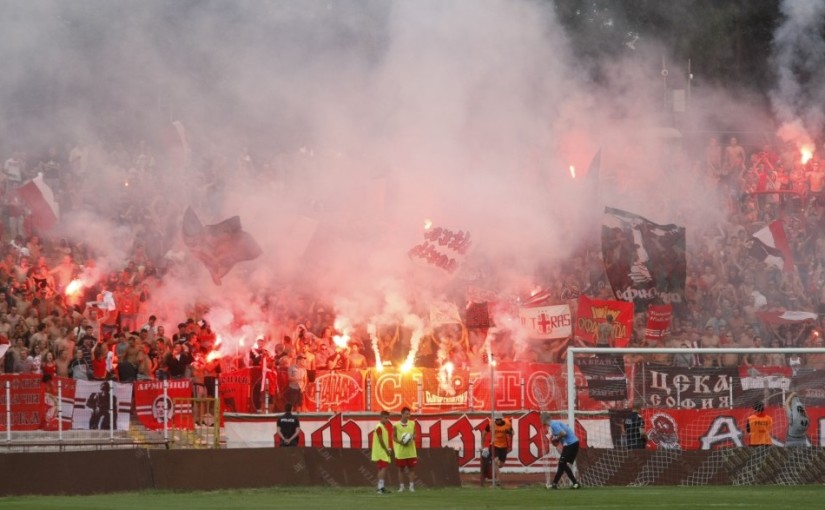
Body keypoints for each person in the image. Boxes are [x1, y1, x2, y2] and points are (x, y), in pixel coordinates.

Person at [545, 417, 581, 489]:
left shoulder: (553, 425)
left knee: (562, 464)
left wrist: (556, 439)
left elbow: (563, 433)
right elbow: (561, 440)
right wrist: (556, 441)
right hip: (571, 445)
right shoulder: (555, 425)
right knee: (562, 464)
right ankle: (555, 484)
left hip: (572, 444)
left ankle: (575, 483)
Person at [483, 411, 513, 486]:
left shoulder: (507, 424)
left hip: (503, 446)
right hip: (494, 444)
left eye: (499, 419)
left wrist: (510, 436)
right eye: (496, 419)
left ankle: (491, 465)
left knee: (501, 465)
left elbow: (512, 433)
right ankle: (498, 480)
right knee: (496, 461)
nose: (497, 421)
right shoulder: (491, 424)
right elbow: (484, 433)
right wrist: (483, 446)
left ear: (501, 419)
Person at [393, 406, 418, 492]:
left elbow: (415, 434)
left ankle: (411, 487)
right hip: (401, 451)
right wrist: (401, 442)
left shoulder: (412, 423)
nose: (408, 415)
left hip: (411, 451)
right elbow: (393, 437)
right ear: (402, 414)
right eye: (406, 414)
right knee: (401, 469)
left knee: (412, 469)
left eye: (409, 414)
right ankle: (401, 487)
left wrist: (413, 437)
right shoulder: (396, 425)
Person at [371, 410, 393, 494]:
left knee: (381, 468)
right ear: (381, 418)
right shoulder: (379, 427)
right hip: (381, 452)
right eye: (386, 418)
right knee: (383, 468)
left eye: (388, 418)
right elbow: (380, 440)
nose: (387, 420)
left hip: (382, 451)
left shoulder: (383, 427)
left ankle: (381, 487)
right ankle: (380, 488)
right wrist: (386, 450)